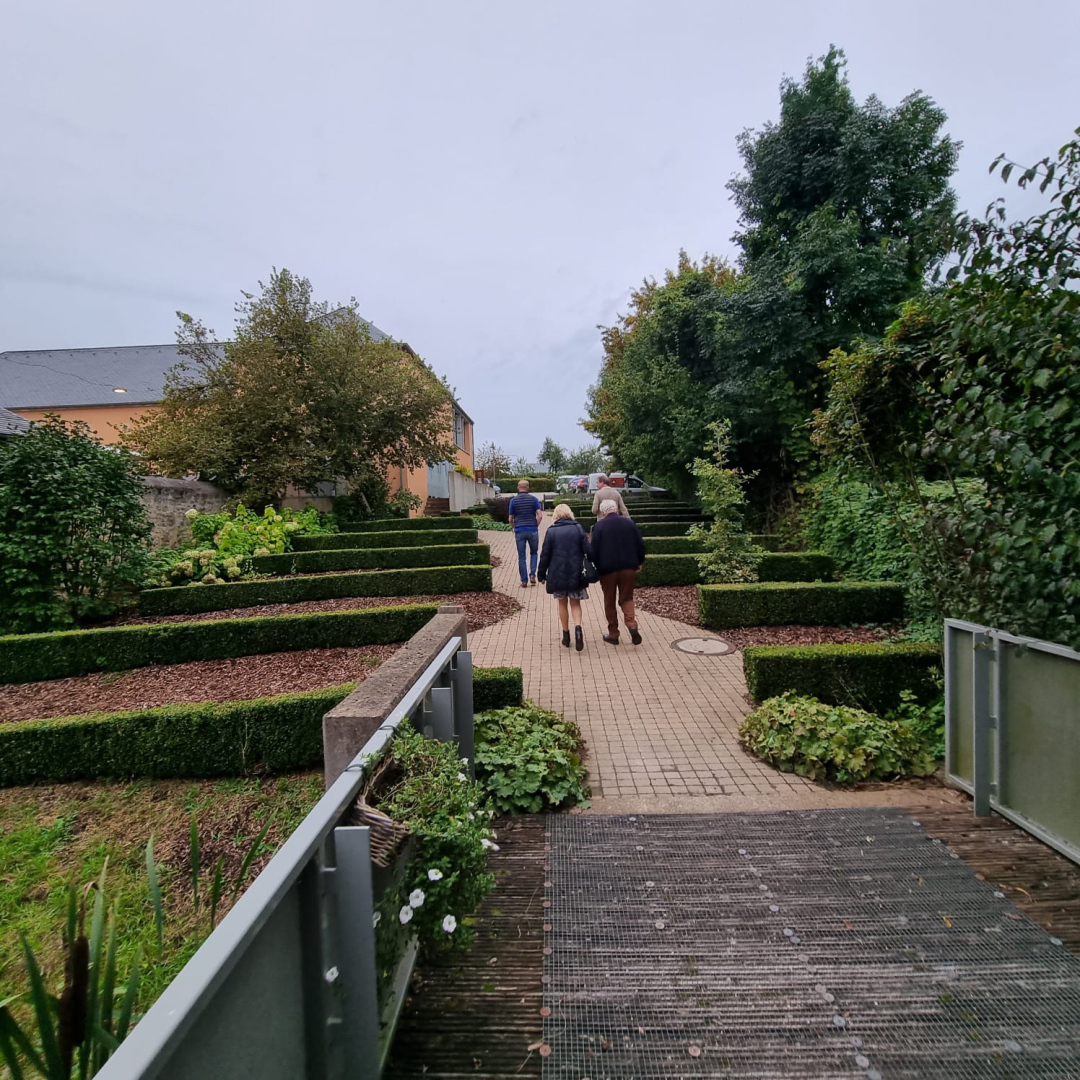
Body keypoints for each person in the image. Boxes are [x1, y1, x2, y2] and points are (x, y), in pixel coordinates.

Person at [589, 498, 645, 645]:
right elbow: (640, 544)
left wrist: (596, 567)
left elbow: (593, 551)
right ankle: (632, 625)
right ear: (616, 509)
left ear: (603, 512)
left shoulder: (599, 527)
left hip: (607, 571)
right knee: (627, 598)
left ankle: (613, 634)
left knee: (609, 601)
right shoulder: (629, 523)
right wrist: (639, 561)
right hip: (628, 568)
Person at [537, 503, 592, 651]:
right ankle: (578, 629)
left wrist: (541, 574)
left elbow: (545, 555)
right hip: (576, 572)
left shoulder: (551, 531)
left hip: (557, 573)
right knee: (575, 603)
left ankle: (566, 635)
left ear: (556, 515)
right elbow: (588, 550)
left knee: (562, 603)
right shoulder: (578, 528)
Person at [507, 479, 543, 587]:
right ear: (528, 487)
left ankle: (524, 581)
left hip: (519, 530)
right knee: (534, 553)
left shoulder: (513, 501)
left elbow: (510, 519)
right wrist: (536, 525)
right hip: (532, 530)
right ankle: (532, 574)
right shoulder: (534, 499)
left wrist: (514, 527)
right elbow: (540, 515)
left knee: (521, 557)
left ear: (518, 487)